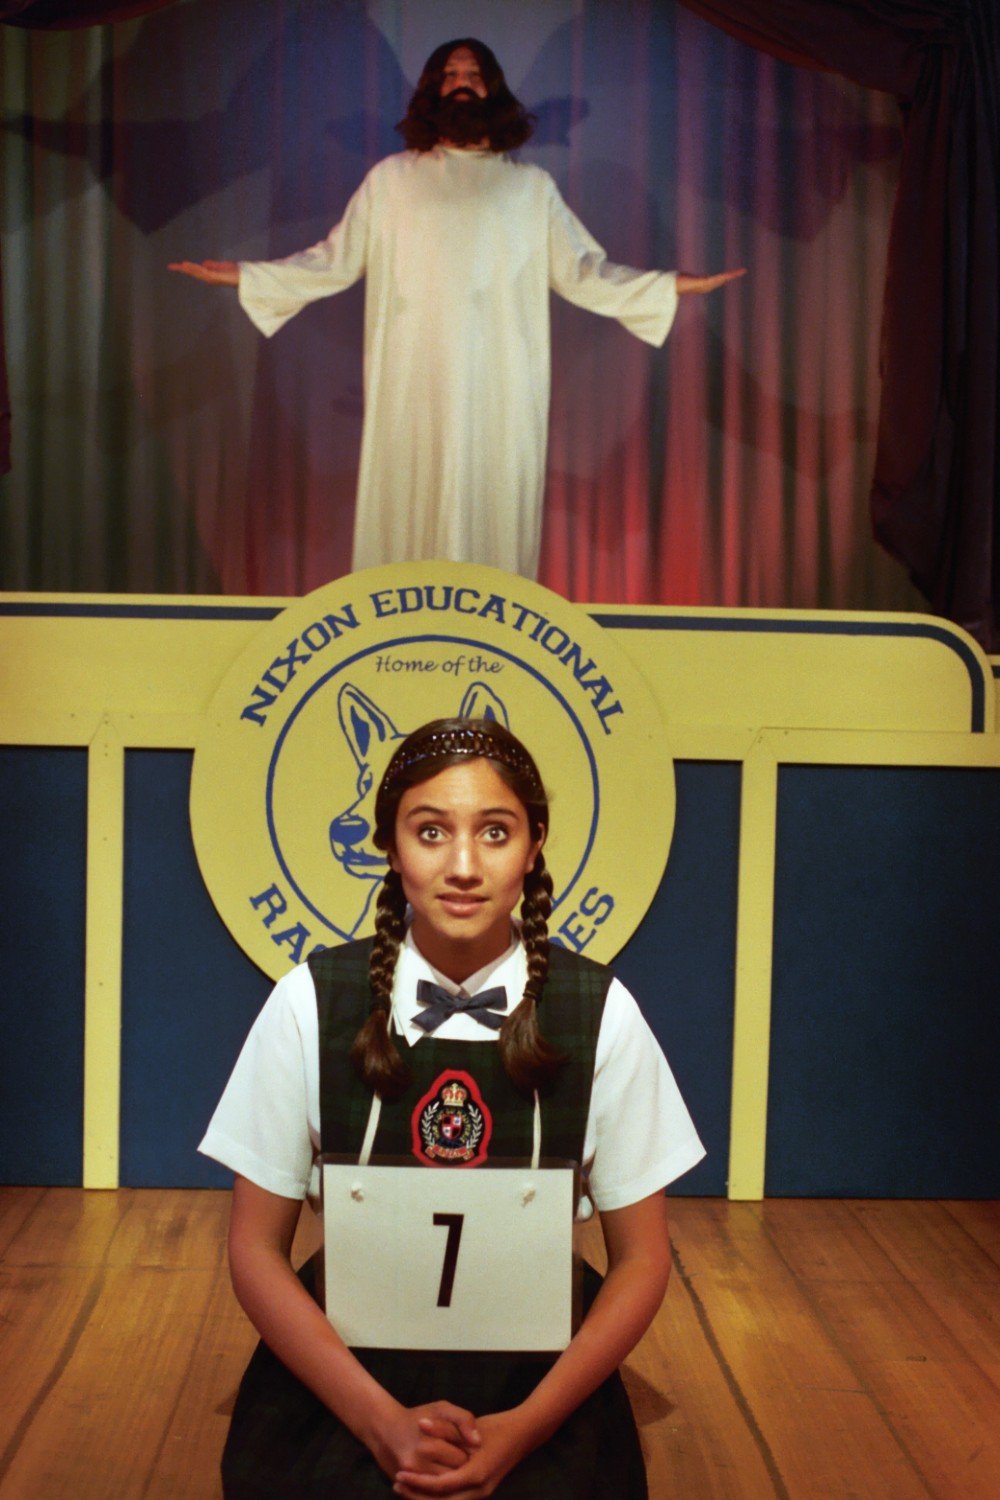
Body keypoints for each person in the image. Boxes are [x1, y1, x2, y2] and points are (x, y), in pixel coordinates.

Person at [200, 715, 704, 1497]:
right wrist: (380, 1422)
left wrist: (526, 1427)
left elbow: (642, 1260)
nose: (463, 865)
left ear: (535, 845)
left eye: (494, 832)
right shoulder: (309, 1003)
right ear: (390, 848)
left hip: (539, 1392)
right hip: (348, 1385)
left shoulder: (600, 1011)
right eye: (431, 831)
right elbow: (255, 1252)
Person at [170, 38, 744, 579]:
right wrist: (247, 275)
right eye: (450, 76)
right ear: (433, 91)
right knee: (408, 510)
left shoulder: (530, 189)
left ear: (493, 90)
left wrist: (670, 287)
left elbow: (582, 273)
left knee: (492, 514)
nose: (461, 84)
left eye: (473, 75)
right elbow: (333, 261)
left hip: (502, 389)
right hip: (411, 384)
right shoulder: (392, 181)